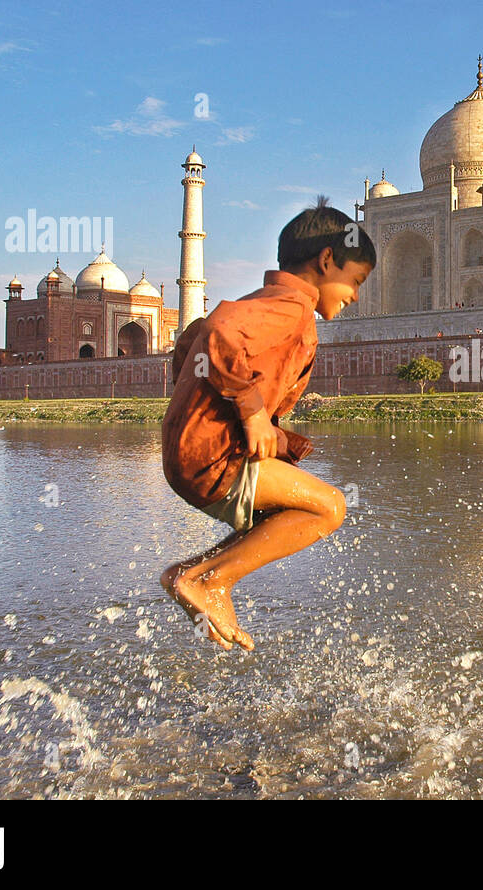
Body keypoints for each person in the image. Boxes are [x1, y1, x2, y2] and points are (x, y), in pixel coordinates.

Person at [159, 198, 374, 649]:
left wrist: (253, 421)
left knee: (288, 512)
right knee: (329, 507)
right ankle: (209, 581)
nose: (355, 294)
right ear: (327, 259)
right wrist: (252, 414)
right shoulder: (292, 307)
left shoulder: (265, 301)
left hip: (190, 452)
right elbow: (219, 330)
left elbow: (190, 340)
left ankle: (193, 574)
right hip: (212, 456)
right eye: (355, 281)